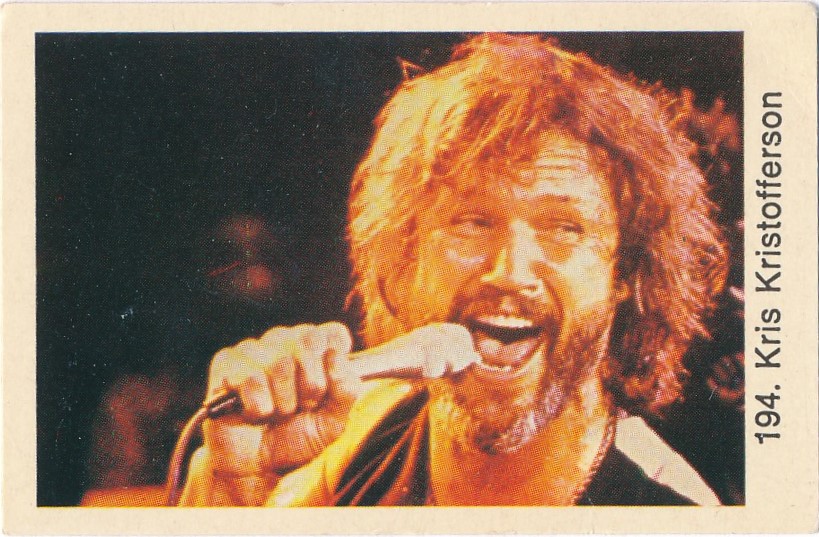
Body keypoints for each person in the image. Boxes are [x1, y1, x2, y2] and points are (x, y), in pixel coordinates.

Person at [179, 33, 728, 506]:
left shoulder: (673, 509)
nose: (509, 271)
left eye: (563, 228)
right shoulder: (368, 429)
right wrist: (232, 489)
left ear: (625, 272)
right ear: (406, 252)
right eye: (470, 222)